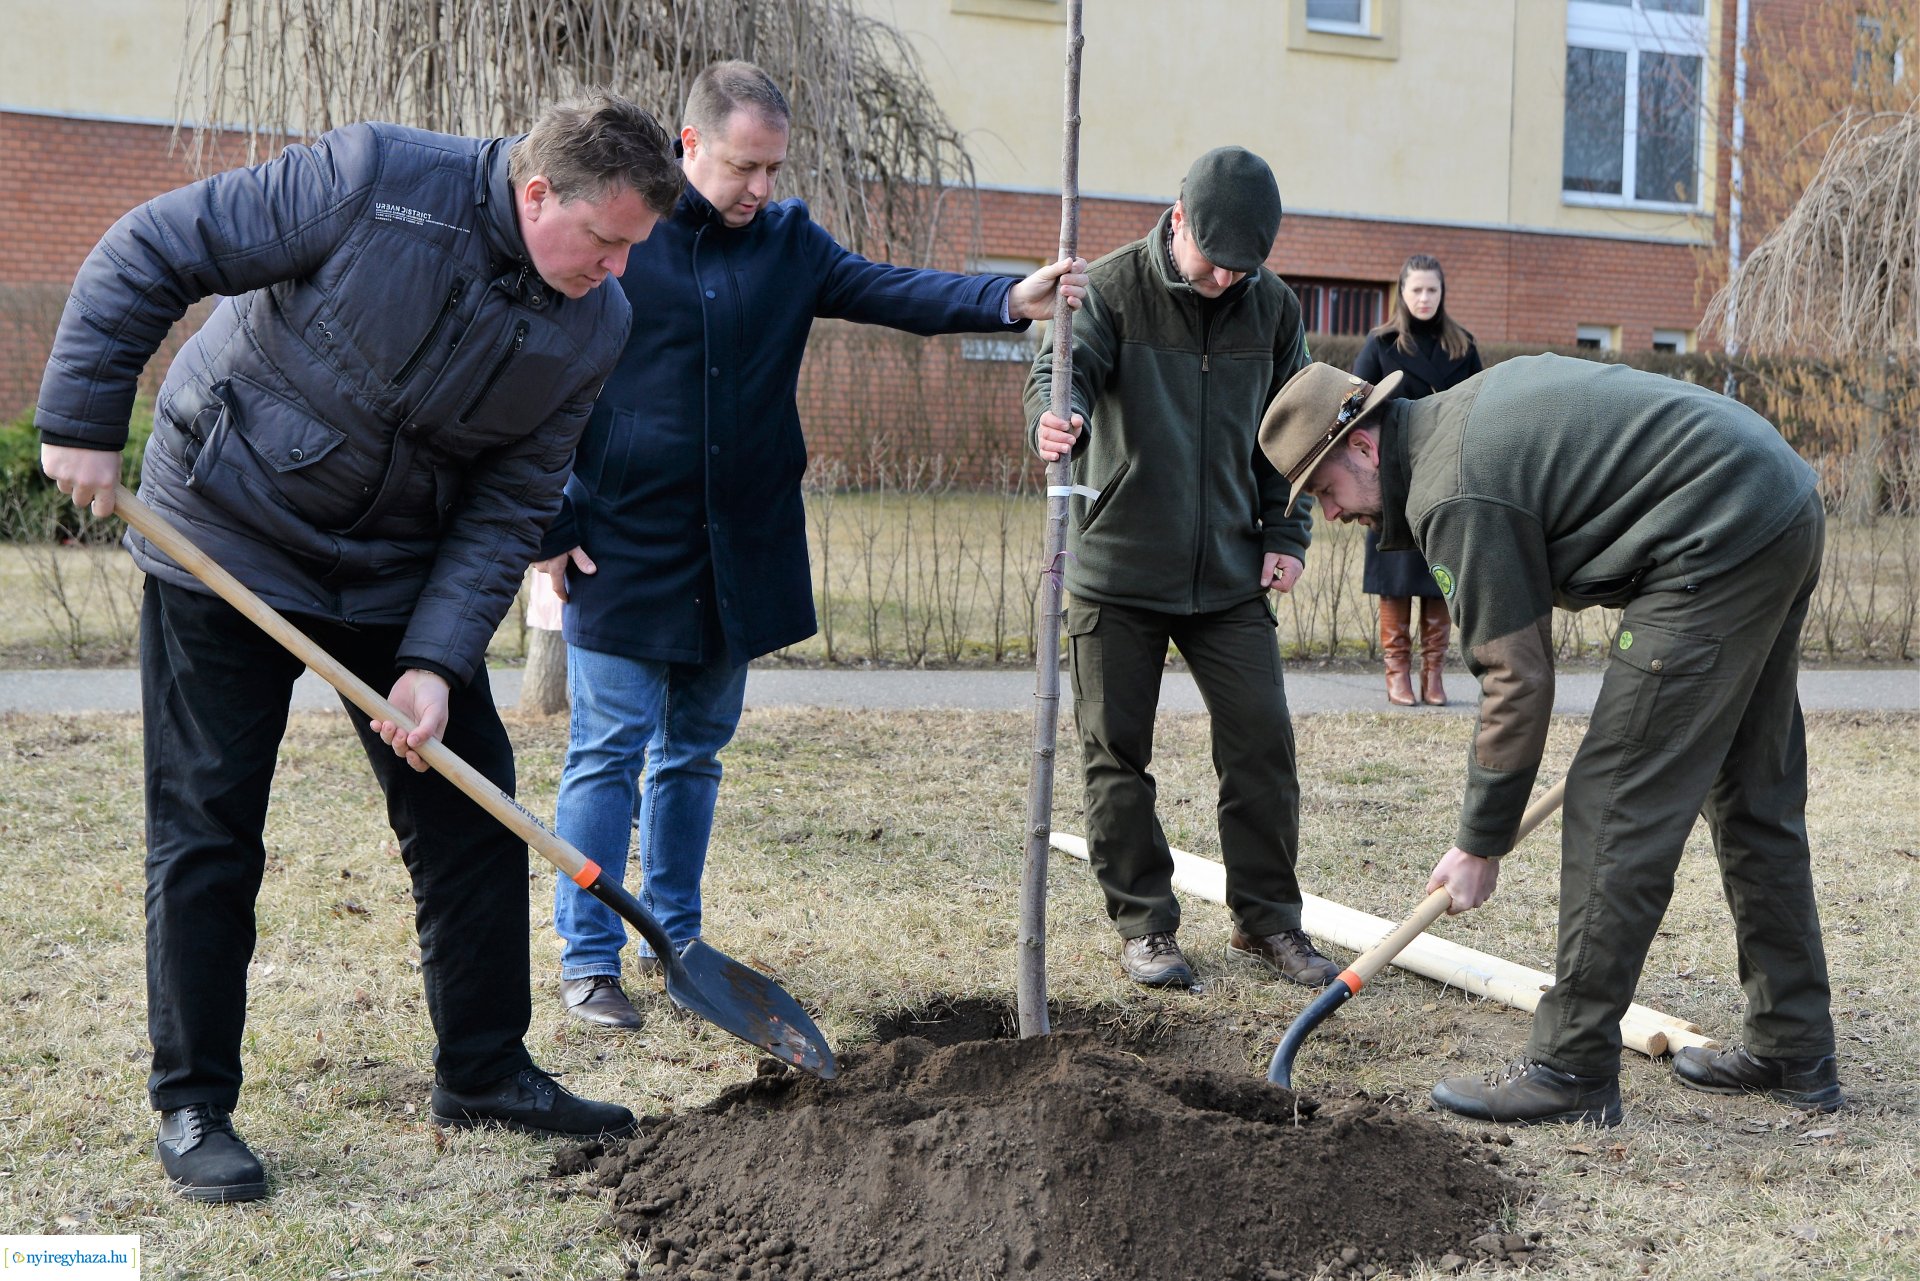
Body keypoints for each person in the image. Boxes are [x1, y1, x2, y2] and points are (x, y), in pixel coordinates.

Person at [35, 93, 683, 1202]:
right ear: (539, 195)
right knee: (208, 826)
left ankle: (483, 1071)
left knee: (471, 812)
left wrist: (433, 661)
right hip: (224, 530)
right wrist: (83, 417)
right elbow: (154, 247)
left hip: (396, 570)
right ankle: (194, 1104)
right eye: (608, 240)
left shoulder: (596, 323)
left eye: (634, 248)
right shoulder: (372, 178)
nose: (619, 270)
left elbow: (513, 498)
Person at [535, 61, 1088, 1030]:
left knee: (694, 755)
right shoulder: (625, 235)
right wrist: (549, 525)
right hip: (619, 543)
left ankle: (679, 940)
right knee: (607, 753)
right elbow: (541, 382)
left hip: (738, 552)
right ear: (690, 145)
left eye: (773, 169)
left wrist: (1010, 298)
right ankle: (589, 958)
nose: (760, 188)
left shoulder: (789, 242)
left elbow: (886, 289)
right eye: (744, 166)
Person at [1259, 355, 1839, 1126]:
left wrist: (1479, 842)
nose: (1329, 515)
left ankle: (1571, 1067)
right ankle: (1794, 1046)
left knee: (1613, 804)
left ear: (1363, 445)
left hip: (1718, 535)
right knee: (1750, 790)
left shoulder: (1452, 488)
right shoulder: (1452, 433)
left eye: (1324, 489)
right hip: (1775, 501)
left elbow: (1517, 678)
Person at [1027, 146, 1341, 993]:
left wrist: (1286, 530)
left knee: (1263, 744)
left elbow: (1297, 428)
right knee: (1114, 752)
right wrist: (1059, 420)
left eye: (1245, 269)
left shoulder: (1270, 306)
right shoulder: (1115, 288)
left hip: (1232, 571)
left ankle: (1268, 919)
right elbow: (1062, 369)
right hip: (1118, 565)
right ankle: (1146, 925)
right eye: (1214, 263)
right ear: (1178, 222)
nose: (1226, 282)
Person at [1351, 254, 1481, 707]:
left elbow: (1479, 405)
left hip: (1447, 472)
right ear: (1401, 293)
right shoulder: (1381, 345)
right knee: (1396, 572)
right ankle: (1397, 674)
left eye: (1432, 290)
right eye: (1416, 290)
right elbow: (1353, 409)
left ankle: (1435, 674)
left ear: (1442, 293)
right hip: (1392, 476)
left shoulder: (1462, 346)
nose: (1424, 298)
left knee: (1438, 572)